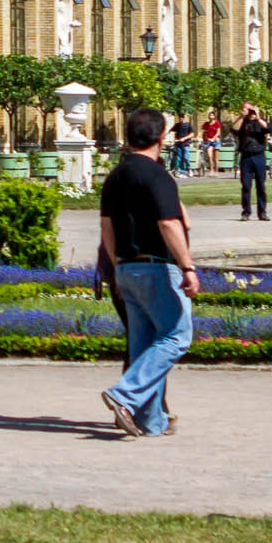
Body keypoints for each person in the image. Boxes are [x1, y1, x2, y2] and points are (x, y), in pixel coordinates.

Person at [96, 106, 195, 438]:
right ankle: (124, 394)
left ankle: (151, 421)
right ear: (161, 137)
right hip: (156, 266)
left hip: (125, 267)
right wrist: (188, 266)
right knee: (176, 336)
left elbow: (106, 227)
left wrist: (117, 264)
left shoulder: (115, 176)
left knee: (142, 345)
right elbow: (169, 223)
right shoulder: (157, 175)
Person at [234, 103, 272, 220]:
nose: (250, 113)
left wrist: (258, 116)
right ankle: (246, 212)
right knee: (246, 186)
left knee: (261, 185)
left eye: (251, 110)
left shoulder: (259, 123)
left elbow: (268, 128)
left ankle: (262, 212)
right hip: (246, 157)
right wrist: (241, 116)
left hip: (259, 156)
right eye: (248, 110)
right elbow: (234, 129)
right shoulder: (243, 123)